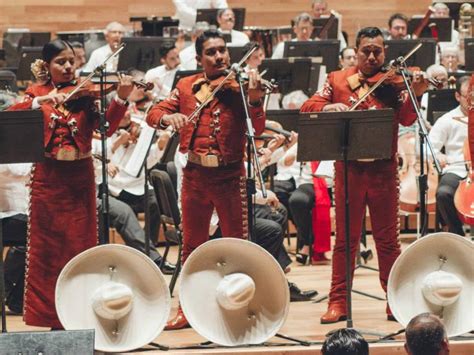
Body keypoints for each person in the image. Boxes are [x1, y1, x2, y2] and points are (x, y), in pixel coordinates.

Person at [301, 27, 426, 324]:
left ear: (385, 52)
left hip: (383, 171)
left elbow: (408, 117)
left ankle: (394, 299)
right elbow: (309, 107)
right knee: (345, 241)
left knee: (388, 241)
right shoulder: (337, 79)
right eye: (366, 50)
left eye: (377, 51)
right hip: (350, 170)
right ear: (356, 51)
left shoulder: (395, 82)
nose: (372, 56)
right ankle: (338, 301)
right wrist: (329, 105)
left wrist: (415, 93)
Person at [7, 39, 133, 329]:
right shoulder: (35, 93)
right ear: (47, 66)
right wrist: (39, 102)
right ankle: (50, 316)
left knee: (81, 245)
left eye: (71, 62)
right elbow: (14, 117)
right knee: (46, 250)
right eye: (60, 62)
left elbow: (106, 128)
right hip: (48, 178)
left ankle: (81, 313)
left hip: (79, 179)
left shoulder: (87, 94)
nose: (67, 67)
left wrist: (121, 99)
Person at [146, 30, 266, 330]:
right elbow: (154, 111)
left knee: (238, 245)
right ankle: (188, 309)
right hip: (195, 175)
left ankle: (240, 307)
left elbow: (259, 127)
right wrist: (167, 119)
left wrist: (253, 98)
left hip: (230, 175)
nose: (220, 57)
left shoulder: (239, 86)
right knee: (191, 246)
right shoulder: (187, 86)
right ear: (199, 58)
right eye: (211, 52)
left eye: (223, 51)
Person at [429, 75, 470, 236]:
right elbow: (428, 146)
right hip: (457, 169)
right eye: (468, 96)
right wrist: (438, 156)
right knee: (444, 193)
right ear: (458, 96)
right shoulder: (447, 119)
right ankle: (457, 235)